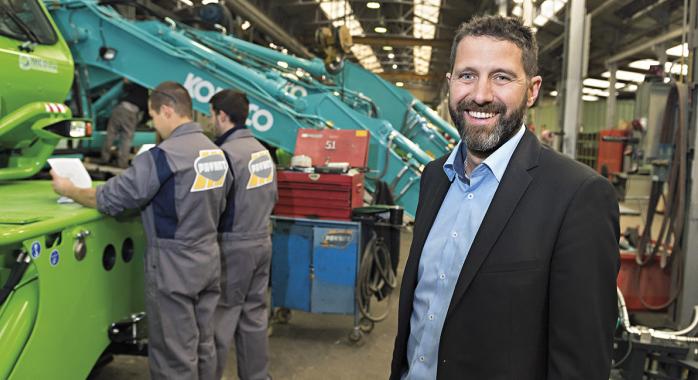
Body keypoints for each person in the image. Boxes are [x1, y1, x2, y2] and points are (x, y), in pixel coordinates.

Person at [390, 16, 620, 380]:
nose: (480, 95)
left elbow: (581, 364)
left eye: (501, 77)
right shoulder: (435, 177)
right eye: (467, 75)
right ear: (449, 83)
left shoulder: (578, 197)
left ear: (532, 89)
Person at [51, 81, 231, 380]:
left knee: (174, 355)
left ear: (167, 110)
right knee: (203, 344)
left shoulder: (163, 156)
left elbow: (109, 199)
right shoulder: (214, 153)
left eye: (154, 117)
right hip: (208, 260)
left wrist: (70, 190)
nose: (155, 126)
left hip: (174, 267)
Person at [209, 89, 277, 380]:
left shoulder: (224, 155)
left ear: (222, 116)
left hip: (233, 247)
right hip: (262, 241)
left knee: (221, 319)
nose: (211, 121)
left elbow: (211, 205)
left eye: (212, 115)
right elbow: (272, 196)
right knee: (254, 317)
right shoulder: (262, 151)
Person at [100, 79, 149, 168]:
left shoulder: (136, 84)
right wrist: (141, 122)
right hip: (132, 114)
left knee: (111, 134)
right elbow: (146, 113)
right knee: (126, 139)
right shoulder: (146, 97)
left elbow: (125, 88)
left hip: (120, 109)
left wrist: (126, 81)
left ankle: (104, 159)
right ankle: (122, 163)